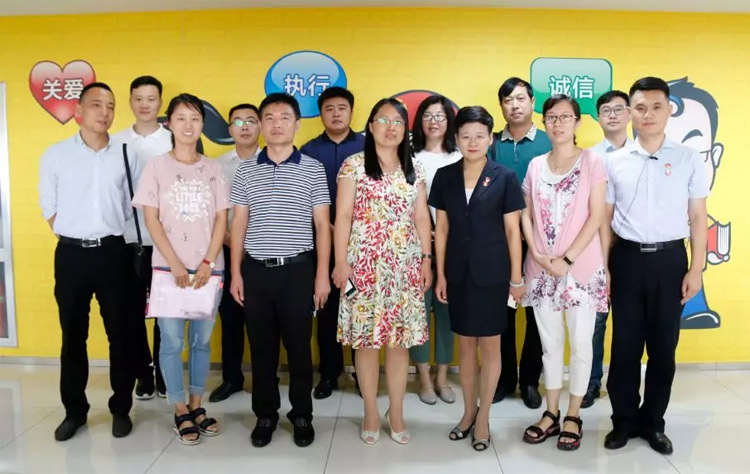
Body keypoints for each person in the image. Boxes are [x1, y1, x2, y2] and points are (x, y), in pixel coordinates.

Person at [604, 77, 709, 455]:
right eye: (640, 108)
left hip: (670, 261)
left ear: (668, 110)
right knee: (625, 346)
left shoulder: (687, 158)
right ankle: (623, 421)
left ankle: (653, 423)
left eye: (656, 107)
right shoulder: (613, 161)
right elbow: (605, 220)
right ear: (629, 112)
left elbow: (698, 216)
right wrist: (604, 269)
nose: (648, 114)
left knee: (664, 348)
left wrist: (696, 269)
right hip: (627, 259)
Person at [229, 93, 331, 448]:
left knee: (299, 348)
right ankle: (266, 414)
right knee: (261, 349)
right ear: (260, 124)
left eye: (284, 117)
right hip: (256, 271)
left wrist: (321, 275)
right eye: (269, 118)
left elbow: (323, 225)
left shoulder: (313, 168)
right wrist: (236, 273)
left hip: (298, 271)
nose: (276, 124)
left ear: (297, 125)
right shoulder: (246, 169)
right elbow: (239, 223)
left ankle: (301, 414)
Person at [38, 82, 136, 441]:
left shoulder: (125, 153)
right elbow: (49, 205)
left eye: (110, 106)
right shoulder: (56, 154)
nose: (104, 112)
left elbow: (130, 206)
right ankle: (74, 411)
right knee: (73, 335)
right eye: (96, 105)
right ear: (79, 110)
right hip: (71, 255)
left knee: (120, 334)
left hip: (113, 253)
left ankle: (121, 408)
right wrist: (74, 235)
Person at [333, 98, 431, 445]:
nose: (391, 127)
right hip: (363, 266)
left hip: (404, 266)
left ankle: (397, 411)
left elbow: (422, 216)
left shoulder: (414, 168)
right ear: (371, 126)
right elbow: (343, 215)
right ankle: (371, 411)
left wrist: (426, 259)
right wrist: (340, 262)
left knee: (399, 342)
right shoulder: (354, 165)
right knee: (366, 341)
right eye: (384, 120)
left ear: (406, 130)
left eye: (398, 122)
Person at [133, 93, 229, 445]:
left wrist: (207, 262)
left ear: (202, 124)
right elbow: (151, 219)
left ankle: (197, 405)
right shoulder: (156, 167)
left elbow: (221, 220)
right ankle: (179, 408)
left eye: (195, 118)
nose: (188, 125)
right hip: (167, 270)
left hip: (208, 270)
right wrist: (174, 262)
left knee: (201, 342)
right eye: (181, 118)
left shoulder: (214, 169)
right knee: (172, 342)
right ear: (169, 123)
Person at [431, 106, 525, 451]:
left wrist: (516, 278)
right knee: (466, 345)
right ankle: (468, 412)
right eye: (466, 136)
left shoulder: (505, 177)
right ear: (456, 138)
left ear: (490, 139)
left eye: (480, 136)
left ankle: (484, 417)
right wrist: (441, 274)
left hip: (493, 274)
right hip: (457, 273)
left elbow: (513, 231)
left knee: (491, 345)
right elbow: (442, 229)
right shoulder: (445, 176)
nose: (472, 142)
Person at [518, 95, 607, 451]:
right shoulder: (535, 165)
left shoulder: (592, 162)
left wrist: (567, 260)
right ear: (544, 122)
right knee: (549, 345)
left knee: (582, 345)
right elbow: (525, 213)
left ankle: (573, 414)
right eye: (551, 117)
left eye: (565, 117)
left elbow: (596, 216)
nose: (557, 123)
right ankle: (551, 412)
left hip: (580, 270)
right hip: (542, 271)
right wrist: (537, 254)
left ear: (577, 122)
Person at [300, 87, 365, 400]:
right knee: (326, 310)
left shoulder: (368, 147)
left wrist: (353, 228)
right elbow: (302, 197)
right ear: (321, 114)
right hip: (321, 242)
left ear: (351, 112)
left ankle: (362, 374)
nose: (336, 113)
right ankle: (329, 374)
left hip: (362, 244)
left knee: (360, 308)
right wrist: (326, 226)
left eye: (342, 108)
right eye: (329, 108)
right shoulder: (308, 151)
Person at [489, 77, 550, 408]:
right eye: (508, 100)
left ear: (532, 102)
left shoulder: (548, 141)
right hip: (500, 242)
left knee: (537, 313)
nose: (514, 105)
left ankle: (529, 380)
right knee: (503, 314)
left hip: (541, 243)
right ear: (501, 106)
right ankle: (504, 379)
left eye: (520, 99)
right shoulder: (492, 143)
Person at [115, 75, 172, 400]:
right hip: (129, 239)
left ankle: (164, 372)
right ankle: (143, 372)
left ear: (160, 102)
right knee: (132, 313)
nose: (145, 104)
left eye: (151, 99)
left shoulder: (174, 139)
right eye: (138, 98)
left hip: (167, 242)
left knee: (166, 313)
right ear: (130, 102)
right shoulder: (117, 141)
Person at [408, 95, 461, 405]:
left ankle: (442, 376)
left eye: (440, 116)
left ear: (449, 121)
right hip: (415, 248)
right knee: (418, 311)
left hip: (452, 246)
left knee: (446, 311)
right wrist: (422, 230)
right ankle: (423, 378)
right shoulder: (408, 157)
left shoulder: (459, 157)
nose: (434, 121)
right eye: (428, 115)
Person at [582, 90, 633, 409]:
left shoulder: (643, 154)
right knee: (595, 321)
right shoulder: (589, 158)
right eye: (606, 110)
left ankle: (622, 385)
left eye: (618, 109)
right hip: (595, 250)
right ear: (598, 118)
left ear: (629, 114)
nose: (612, 115)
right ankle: (590, 383)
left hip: (630, 249)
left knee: (628, 323)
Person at [209, 103, 261, 403]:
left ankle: (264, 377)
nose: (245, 127)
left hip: (263, 252)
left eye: (251, 121)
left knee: (263, 319)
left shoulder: (271, 161)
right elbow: (212, 213)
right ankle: (232, 378)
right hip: (227, 250)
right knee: (230, 318)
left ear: (261, 126)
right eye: (238, 122)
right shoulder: (216, 167)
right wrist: (232, 242)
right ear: (229, 129)